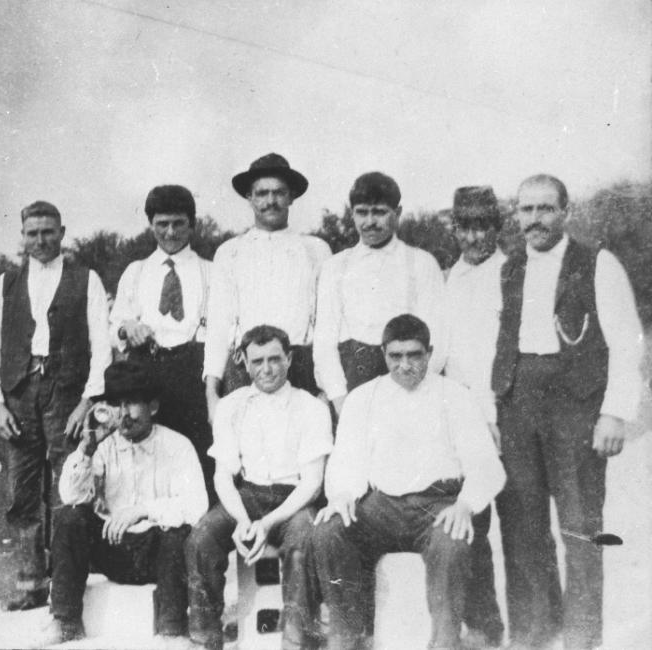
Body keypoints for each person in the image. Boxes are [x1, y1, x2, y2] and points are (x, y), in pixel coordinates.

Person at [492, 174, 643, 650]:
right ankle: (535, 630)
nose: (533, 220)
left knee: (580, 526)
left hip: (575, 406)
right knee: (522, 526)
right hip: (518, 402)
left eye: (544, 209)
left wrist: (614, 413)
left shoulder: (598, 264)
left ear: (565, 211)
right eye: (525, 210)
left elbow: (626, 342)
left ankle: (581, 637)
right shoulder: (511, 266)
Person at [312, 314, 506, 650]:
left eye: (414, 355)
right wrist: (342, 494)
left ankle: (445, 642)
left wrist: (465, 504)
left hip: (437, 506)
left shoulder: (455, 396)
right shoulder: (363, 397)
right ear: (384, 353)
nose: (404, 366)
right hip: (381, 507)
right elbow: (346, 459)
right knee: (329, 530)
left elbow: (486, 464)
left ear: (429, 353)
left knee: (452, 541)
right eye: (395, 356)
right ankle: (347, 636)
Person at [0, 200, 112, 611]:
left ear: (62, 232)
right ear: (22, 236)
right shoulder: (4, 285)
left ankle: (67, 583)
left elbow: (101, 345)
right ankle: (30, 582)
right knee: (21, 491)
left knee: (69, 488)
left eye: (48, 232)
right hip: (19, 393)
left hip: (66, 394)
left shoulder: (85, 279)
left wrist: (88, 400)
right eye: (32, 233)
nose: (40, 240)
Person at [186, 325, 333, 650]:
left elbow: (312, 483)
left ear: (290, 358)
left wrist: (266, 523)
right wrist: (241, 520)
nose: (265, 369)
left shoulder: (311, 407)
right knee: (202, 536)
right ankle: (204, 638)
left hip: (294, 500)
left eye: (274, 359)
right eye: (257, 361)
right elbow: (223, 476)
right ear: (243, 362)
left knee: (304, 540)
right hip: (247, 497)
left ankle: (297, 642)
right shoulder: (231, 406)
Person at [43, 360, 208, 644]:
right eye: (116, 405)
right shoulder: (103, 446)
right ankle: (65, 621)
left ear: (152, 407)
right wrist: (85, 450)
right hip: (113, 549)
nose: (123, 414)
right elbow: (70, 496)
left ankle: (172, 630)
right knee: (69, 519)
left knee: (179, 534)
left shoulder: (176, 445)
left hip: (157, 552)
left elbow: (197, 505)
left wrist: (142, 511)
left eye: (131, 403)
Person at [204, 153, 331, 418]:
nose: (270, 201)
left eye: (279, 193)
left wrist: (325, 388)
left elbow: (325, 326)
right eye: (262, 193)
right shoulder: (230, 252)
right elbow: (218, 328)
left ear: (292, 196)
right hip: (246, 369)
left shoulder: (315, 251)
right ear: (249, 198)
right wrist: (212, 394)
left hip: (300, 366)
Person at [110, 184, 215, 501]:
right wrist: (129, 328)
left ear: (192, 224)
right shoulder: (137, 272)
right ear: (151, 224)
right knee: (149, 455)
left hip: (192, 373)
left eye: (178, 223)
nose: (170, 232)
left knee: (198, 454)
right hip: (147, 372)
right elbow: (116, 324)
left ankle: (196, 533)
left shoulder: (209, 272)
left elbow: (223, 328)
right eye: (162, 224)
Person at [314, 171, 444, 418]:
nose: (370, 221)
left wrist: (415, 392)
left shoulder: (421, 263)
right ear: (352, 213)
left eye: (380, 212)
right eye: (362, 212)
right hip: (352, 384)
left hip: (407, 381)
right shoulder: (336, 267)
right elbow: (324, 343)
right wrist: (341, 401)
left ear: (398, 212)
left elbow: (436, 337)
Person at [438, 185, 508, 648]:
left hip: (507, 412)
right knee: (472, 525)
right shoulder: (448, 278)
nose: (473, 236)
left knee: (522, 527)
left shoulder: (512, 273)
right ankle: (483, 626)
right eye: (464, 226)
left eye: (482, 226)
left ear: (497, 227)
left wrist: (495, 414)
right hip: (462, 417)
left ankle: (535, 628)